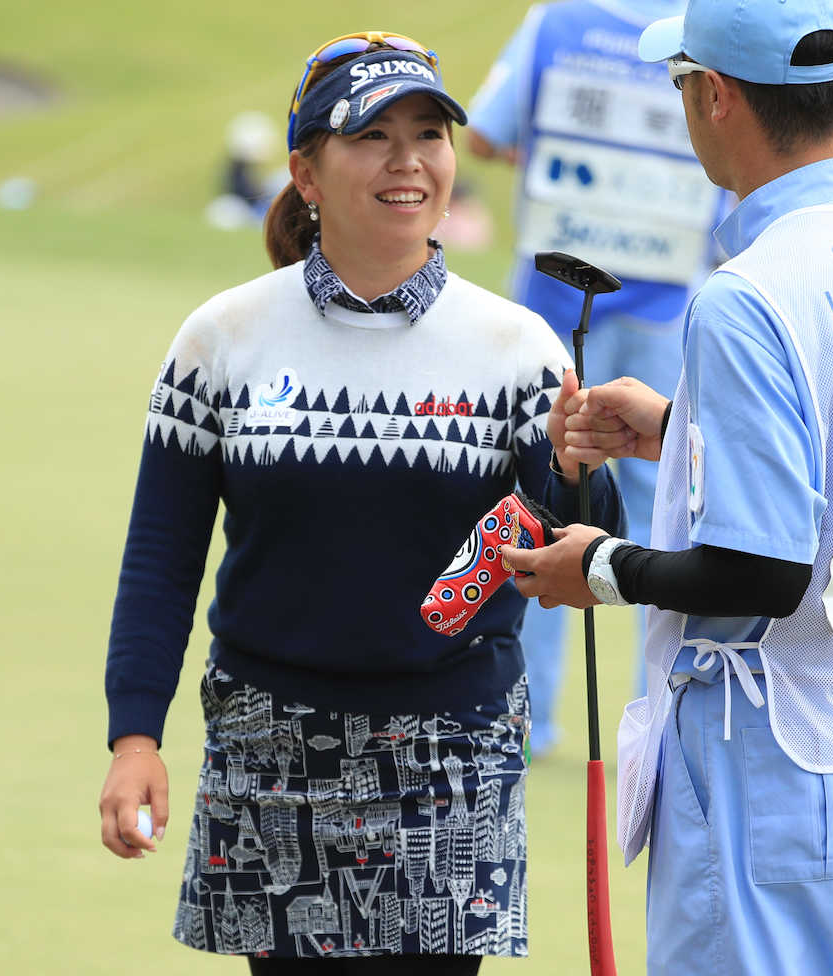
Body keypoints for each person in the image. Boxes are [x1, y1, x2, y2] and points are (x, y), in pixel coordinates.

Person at [98, 30, 624, 973]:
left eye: (428, 132)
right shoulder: (222, 339)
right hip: (268, 747)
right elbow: (162, 556)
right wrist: (135, 733)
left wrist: (570, 464)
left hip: (451, 751)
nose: (408, 160)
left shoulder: (520, 347)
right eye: (371, 135)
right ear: (306, 170)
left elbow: (584, 540)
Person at [499, 1, 833, 973]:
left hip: (779, 766)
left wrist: (598, 568)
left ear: (715, 95)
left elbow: (763, 571)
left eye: (680, 83)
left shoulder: (748, 296)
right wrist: (680, 432)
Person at [466, 0, 728, 756]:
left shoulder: (556, 20)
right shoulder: (700, 26)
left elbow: (484, 131)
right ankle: (668, 713)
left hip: (552, 302)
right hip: (666, 302)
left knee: (541, 496)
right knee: (669, 510)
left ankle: (533, 722)